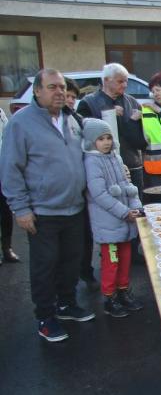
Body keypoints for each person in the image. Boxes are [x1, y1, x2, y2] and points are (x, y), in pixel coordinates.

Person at [0, 69, 95, 342]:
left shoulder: (71, 120)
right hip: (42, 211)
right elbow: (10, 169)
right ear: (37, 91)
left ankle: (66, 305)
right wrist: (20, 208)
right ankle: (45, 317)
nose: (60, 92)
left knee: (71, 261)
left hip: (74, 207)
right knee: (44, 267)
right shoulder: (21, 124)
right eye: (52, 87)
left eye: (62, 87)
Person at [81, 119, 143, 317]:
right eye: (101, 139)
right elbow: (99, 195)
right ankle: (110, 297)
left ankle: (123, 291)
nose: (106, 142)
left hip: (124, 223)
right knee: (111, 261)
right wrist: (124, 212)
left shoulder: (115, 158)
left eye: (108, 138)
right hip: (110, 224)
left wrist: (136, 208)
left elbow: (128, 187)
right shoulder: (91, 161)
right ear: (92, 142)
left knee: (126, 259)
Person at [76, 63, 146, 196]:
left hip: (132, 165)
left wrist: (132, 122)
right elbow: (88, 137)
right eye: (120, 81)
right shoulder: (88, 103)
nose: (125, 85)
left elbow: (140, 140)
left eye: (126, 81)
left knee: (137, 208)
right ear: (107, 80)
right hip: (104, 168)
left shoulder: (132, 102)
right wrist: (108, 115)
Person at [64, 76, 100, 289]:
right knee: (61, 249)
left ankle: (86, 272)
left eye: (72, 97)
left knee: (85, 237)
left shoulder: (77, 120)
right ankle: (63, 294)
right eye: (66, 96)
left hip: (83, 191)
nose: (69, 100)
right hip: (55, 199)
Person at [0, 106, 21, 265]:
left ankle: (6, 247)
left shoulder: (0, 113)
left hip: (3, 169)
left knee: (5, 211)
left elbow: (7, 137)